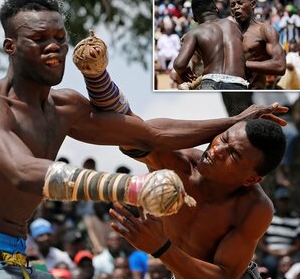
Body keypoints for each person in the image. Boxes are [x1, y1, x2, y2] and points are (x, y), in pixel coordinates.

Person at [0, 0, 286, 279]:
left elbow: (141, 132)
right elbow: (22, 173)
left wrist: (239, 119)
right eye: (39, 39)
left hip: (18, 260)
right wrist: (132, 188)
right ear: (11, 47)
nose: (54, 46)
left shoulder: (64, 107)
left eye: (59, 37)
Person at [109, 118, 287, 278]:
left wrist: (160, 247)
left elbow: (224, 276)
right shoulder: (178, 163)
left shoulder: (254, 207)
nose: (217, 150)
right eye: (223, 138)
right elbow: (134, 136)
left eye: (233, 154)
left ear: (251, 179)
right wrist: (235, 120)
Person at [173, 0, 248, 90]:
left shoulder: (194, 33)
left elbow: (179, 65)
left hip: (210, 83)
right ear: (216, 8)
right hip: (237, 83)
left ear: (194, 18)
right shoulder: (235, 26)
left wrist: (185, 70)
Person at [229, 0, 286, 89]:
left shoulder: (265, 30)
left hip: (254, 91)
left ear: (253, 4)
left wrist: (243, 64)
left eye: (240, 3)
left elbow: (280, 66)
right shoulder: (229, 31)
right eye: (232, 5)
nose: (236, 7)